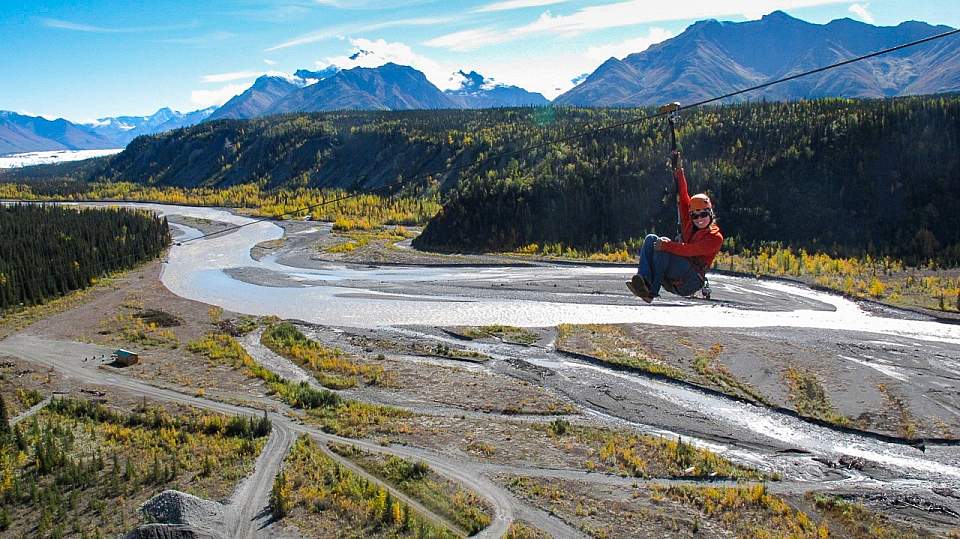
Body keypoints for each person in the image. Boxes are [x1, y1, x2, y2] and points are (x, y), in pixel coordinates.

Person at [627, 151, 723, 303]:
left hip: (690, 281)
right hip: (676, 273)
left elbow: (690, 250)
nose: (699, 219)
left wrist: (667, 245)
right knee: (651, 239)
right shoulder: (689, 223)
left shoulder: (715, 238)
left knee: (664, 246)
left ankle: (651, 292)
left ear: (710, 214)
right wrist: (679, 170)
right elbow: (683, 194)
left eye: (703, 215)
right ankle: (643, 280)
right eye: (695, 216)